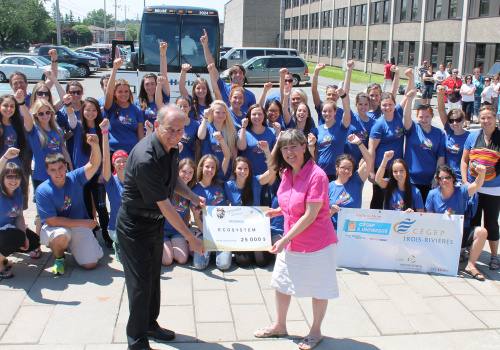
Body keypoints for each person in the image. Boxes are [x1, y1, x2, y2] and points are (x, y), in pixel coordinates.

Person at [115, 105, 205, 349]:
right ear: (157, 126)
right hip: (135, 226)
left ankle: (150, 325)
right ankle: (136, 340)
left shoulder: (171, 147)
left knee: (153, 278)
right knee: (140, 284)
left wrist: (191, 196)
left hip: (153, 223)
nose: (176, 135)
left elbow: (172, 178)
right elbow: (166, 206)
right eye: (170, 130)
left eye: (180, 130)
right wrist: (191, 238)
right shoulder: (146, 157)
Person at [254, 129, 338, 350]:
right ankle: (280, 325)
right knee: (281, 283)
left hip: (317, 243)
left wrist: (283, 239)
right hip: (292, 240)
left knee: (319, 288)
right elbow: (291, 202)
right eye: (284, 148)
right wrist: (279, 211)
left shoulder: (317, 175)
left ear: (304, 147)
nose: (289, 152)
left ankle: (315, 331)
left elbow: (311, 214)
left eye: (293, 147)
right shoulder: (286, 171)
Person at [36, 134, 104, 275]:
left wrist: (95, 145)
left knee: (91, 264)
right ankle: (59, 257)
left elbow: (94, 164)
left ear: (66, 166)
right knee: (61, 236)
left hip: (78, 226)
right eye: (53, 170)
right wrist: (83, 222)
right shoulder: (42, 190)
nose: (58, 173)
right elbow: (52, 221)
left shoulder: (75, 177)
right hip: (58, 227)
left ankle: (74, 245)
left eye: (60, 168)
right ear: (47, 171)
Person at [426, 164, 487, 280]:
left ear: (453, 178)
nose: (444, 180)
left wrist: (481, 173)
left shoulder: (462, 191)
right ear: (438, 180)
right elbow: (430, 219)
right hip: (441, 235)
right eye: (441, 178)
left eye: (447, 177)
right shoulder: (432, 194)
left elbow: (476, 185)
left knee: (482, 232)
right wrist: (442, 218)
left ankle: (471, 265)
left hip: (460, 233)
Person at [67, 97, 111, 249]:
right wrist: (67, 104)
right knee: (85, 208)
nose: (90, 113)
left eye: (94, 110)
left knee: (101, 208)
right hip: (81, 176)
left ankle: (106, 235)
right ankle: (91, 237)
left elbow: (106, 152)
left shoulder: (101, 128)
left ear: (98, 111)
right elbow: (71, 118)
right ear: (82, 111)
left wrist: (102, 173)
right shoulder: (78, 127)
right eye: (87, 110)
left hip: (97, 175)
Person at [461, 105, 500, 271]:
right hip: (474, 187)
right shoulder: (472, 136)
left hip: (494, 188)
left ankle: (494, 256)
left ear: (495, 118)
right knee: (474, 221)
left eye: (489, 117)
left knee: (491, 223)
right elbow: (464, 161)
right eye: (483, 118)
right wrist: (465, 183)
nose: (486, 121)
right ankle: (471, 254)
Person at [368, 68, 414, 209]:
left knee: (394, 198)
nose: (387, 107)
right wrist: (371, 171)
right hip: (382, 168)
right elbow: (372, 149)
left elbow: (408, 95)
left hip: (397, 168)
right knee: (378, 197)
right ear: (380, 107)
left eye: (390, 104)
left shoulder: (399, 114)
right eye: (384, 105)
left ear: (394, 105)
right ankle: (373, 222)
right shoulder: (378, 125)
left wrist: (410, 77)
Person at [224, 154, 277, 267]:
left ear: (249, 170)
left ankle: (263, 250)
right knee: (244, 262)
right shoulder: (228, 186)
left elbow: (272, 171)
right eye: (239, 168)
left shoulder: (256, 181)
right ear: (234, 170)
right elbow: (225, 208)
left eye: (245, 168)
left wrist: (267, 151)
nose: (242, 171)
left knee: (261, 262)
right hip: (240, 229)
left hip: (257, 228)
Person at [0, 148, 40, 279]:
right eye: (9, 176)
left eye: (16, 177)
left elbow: (19, 216)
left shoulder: (17, 192)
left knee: (33, 241)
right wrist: (6, 157)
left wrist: (24, 237)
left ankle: (3, 256)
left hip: (7, 230)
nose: (13, 180)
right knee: (17, 237)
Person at [402, 91, 446, 202]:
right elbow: (406, 119)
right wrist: (409, 99)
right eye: (421, 117)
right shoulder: (413, 129)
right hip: (411, 180)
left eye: (427, 117)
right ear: (417, 117)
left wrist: (436, 178)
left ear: (432, 116)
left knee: (427, 213)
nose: (424, 119)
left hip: (430, 181)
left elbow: (441, 157)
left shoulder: (439, 134)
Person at [191, 152, 232, 271]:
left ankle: (215, 252)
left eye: (213, 167)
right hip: (205, 231)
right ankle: (210, 250)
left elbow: (225, 212)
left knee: (224, 266)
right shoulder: (194, 190)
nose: (210, 170)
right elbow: (197, 218)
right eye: (207, 166)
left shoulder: (219, 186)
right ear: (201, 168)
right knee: (199, 265)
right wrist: (208, 235)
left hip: (222, 231)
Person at [201, 29, 256, 113]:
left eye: (240, 73)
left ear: (244, 76)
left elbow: (253, 114)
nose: (238, 75)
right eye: (235, 73)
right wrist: (205, 46)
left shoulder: (250, 95)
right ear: (230, 75)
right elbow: (212, 65)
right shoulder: (223, 87)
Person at [328, 134, 373, 230]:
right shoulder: (329, 187)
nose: (346, 171)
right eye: (343, 168)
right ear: (337, 168)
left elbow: (369, 160)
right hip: (333, 231)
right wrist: (331, 212)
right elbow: (321, 217)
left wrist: (359, 143)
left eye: (349, 168)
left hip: (352, 231)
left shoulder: (356, 181)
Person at [308, 87, 351, 182]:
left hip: (336, 173)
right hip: (320, 171)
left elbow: (347, 112)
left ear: (335, 112)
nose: (327, 114)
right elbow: (315, 152)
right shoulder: (317, 130)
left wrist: (343, 96)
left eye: (330, 111)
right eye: (324, 111)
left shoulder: (341, 127)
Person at [104, 58, 144, 154]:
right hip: (113, 152)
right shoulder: (111, 107)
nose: (123, 94)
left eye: (126, 91)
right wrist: (114, 69)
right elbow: (108, 93)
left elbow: (140, 135)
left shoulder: (136, 109)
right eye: (120, 92)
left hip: (132, 152)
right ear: (114, 93)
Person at [162, 158, 197, 266]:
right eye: (184, 172)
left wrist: (186, 234)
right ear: (178, 172)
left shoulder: (190, 191)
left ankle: (172, 245)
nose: (187, 175)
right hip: (162, 230)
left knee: (182, 259)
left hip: (177, 231)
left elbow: (187, 214)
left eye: (190, 172)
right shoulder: (168, 188)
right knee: (167, 260)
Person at [100, 118, 126, 262]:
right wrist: (104, 132)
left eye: (124, 161)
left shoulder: (134, 181)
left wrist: (148, 132)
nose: (121, 164)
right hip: (116, 229)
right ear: (114, 164)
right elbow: (105, 158)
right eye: (118, 161)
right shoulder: (111, 183)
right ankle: (118, 246)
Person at [436, 86, 470, 184]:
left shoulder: (470, 137)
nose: (454, 123)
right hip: (447, 177)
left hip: (461, 178)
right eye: (451, 120)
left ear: (463, 121)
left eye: (458, 120)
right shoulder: (449, 131)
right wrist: (440, 95)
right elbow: (442, 111)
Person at [197, 101, 237, 180]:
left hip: (226, 172)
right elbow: (201, 136)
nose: (221, 115)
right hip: (208, 172)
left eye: (223, 112)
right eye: (218, 112)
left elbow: (233, 155)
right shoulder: (207, 126)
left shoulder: (231, 130)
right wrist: (205, 117)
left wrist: (233, 173)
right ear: (212, 113)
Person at [136, 42, 170, 129]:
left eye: (152, 84)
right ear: (143, 87)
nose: (150, 87)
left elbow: (164, 74)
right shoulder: (138, 103)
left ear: (157, 84)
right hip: (146, 137)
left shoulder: (164, 97)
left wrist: (163, 54)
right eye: (147, 84)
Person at [344, 92, 376, 164]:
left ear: (369, 105)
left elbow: (372, 146)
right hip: (347, 159)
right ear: (356, 104)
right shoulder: (351, 117)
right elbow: (345, 101)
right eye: (360, 104)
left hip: (362, 161)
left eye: (366, 104)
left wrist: (365, 158)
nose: (363, 107)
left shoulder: (374, 123)